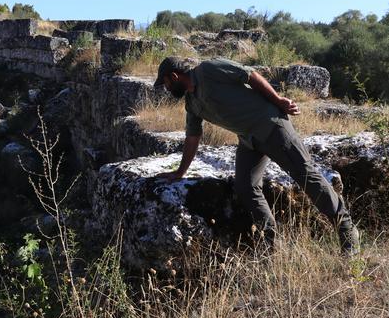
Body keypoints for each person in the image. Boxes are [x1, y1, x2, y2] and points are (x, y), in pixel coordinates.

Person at [153, 56, 360, 255]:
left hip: (271, 126)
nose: (167, 89)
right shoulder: (191, 102)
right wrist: (180, 172)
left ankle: (347, 230)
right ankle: (270, 243)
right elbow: (192, 138)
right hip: (249, 140)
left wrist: (278, 100)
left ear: (174, 76)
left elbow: (249, 75)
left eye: (165, 83)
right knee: (245, 186)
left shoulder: (208, 69)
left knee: (306, 176)